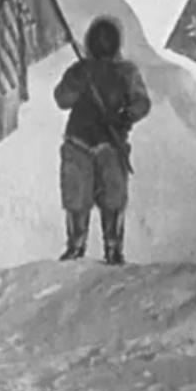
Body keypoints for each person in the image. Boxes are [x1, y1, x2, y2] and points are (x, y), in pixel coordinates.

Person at [53, 15, 151, 265]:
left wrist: (125, 114)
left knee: (113, 196)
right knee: (76, 195)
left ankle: (113, 246)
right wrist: (76, 80)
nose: (103, 43)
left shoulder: (126, 72)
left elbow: (141, 102)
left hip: (111, 142)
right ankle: (76, 244)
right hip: (79, 141)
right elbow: (62, 99)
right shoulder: (79, 70)